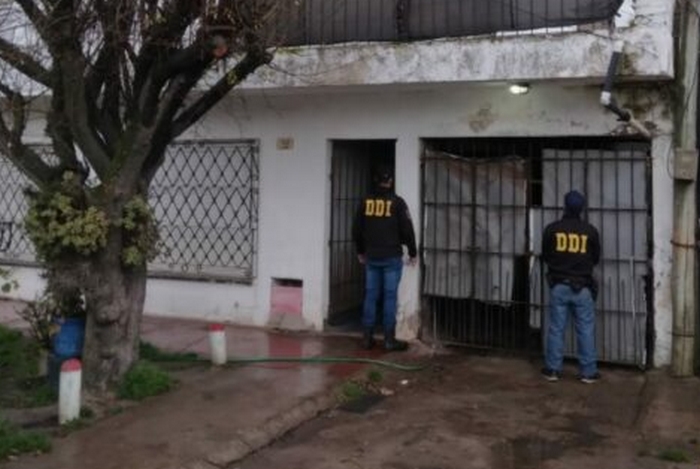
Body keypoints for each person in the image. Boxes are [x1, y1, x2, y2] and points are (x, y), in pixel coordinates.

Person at [352, 167, 417, 351]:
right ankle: (389, 340)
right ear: (390, 181)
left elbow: (356, 229)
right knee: (390, 297)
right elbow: (407, 229)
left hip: (372, 257)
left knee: (371, 296)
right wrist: (413, 252)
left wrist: (361, 251)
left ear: (375, 180)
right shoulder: (397, 202)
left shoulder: (365, 201)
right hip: (391, 257)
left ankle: (367, 338)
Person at [541, 190, 601, 384]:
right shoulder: (590, 231)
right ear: (582, 208)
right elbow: (595, 258)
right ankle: (588, 372)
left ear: (565, 206)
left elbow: (546, 255)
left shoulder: (552, 229)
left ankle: (552, 370)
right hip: (582, 287)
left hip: (559, 285)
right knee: (585, 329)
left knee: (556, 329)